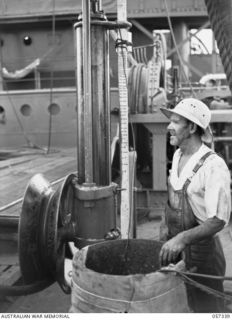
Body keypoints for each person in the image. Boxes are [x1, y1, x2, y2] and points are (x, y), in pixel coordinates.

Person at [159, 98, 231, 313]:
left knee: (206, 309)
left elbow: (218, 220)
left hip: (202, 256)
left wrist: (181, 238)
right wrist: (165, 227)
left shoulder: (212, 166)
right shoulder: (179, 153)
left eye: (175, 122)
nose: (169, 126)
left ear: (191, 127)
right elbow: (175, 195)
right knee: (182, 306)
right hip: (176, 250)